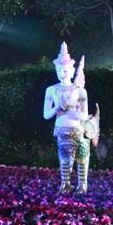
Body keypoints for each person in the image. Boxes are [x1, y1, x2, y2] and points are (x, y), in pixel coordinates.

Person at [43, 42, 91, 194]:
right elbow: (46, 115)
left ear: (72, 71)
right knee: (65, 160)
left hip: (78, 129)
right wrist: (56, 108)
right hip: (62, 129)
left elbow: (84, 115)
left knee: (82, 158)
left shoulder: (80, 91)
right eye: (58, 70)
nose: (61, 73)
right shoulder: (51, 90)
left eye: (64, 70)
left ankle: (82, 185)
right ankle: (65, 184)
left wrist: (70, 109)